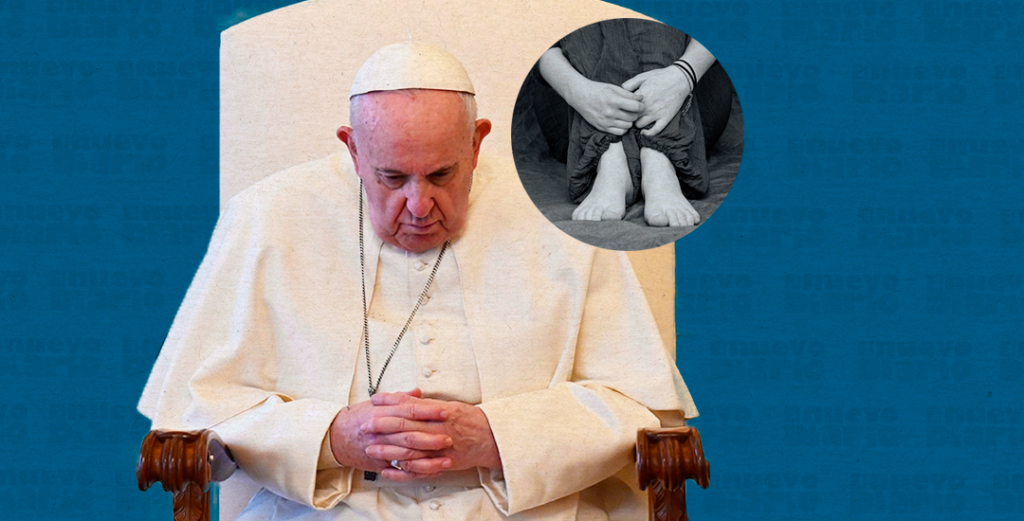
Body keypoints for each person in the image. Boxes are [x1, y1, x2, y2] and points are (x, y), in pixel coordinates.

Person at [138, 42, 697, 521]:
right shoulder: (268, 217)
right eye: (391, 177)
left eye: (441, 174)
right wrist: (331, 437)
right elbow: (195, 414)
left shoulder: (558, 223)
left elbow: (640, 410)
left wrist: (498, 436)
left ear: (476, 143)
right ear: (353, 149)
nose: (419, 205)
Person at [538, 19, 718, 228]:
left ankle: (659, 161)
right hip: (570, 102)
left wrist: (684, 74)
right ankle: (611, 158)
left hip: (694, 92)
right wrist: (577, 90)